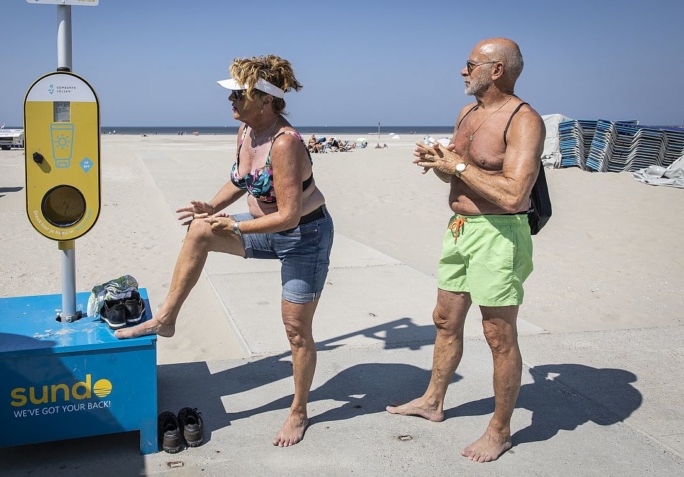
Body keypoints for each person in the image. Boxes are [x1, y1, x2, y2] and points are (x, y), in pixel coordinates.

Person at [116, 54, 334, 447]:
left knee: (296, 331)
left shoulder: (286, 143)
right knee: (199, 230)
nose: (230, 101)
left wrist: (234, 224)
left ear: (266, 99)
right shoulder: (247, 132)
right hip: (262, 229)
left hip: (305, 237)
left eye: (239, 95)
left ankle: (299, 411)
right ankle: (166, 318)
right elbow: (240, 179)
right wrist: (212, 210)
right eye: (231, 94)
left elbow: (287, 216)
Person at [386, 38, 545, 462]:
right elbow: (459, 178)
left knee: (497, 334)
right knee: (444, 320)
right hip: (459, 228)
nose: (462, 70)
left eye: (470, 63)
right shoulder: (467, 113)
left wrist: (455, 165)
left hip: (499, 232)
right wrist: (440, 162)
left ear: (496, 70)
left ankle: (500, 430)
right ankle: (433, 401)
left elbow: (513, 195)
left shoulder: (524, 120)